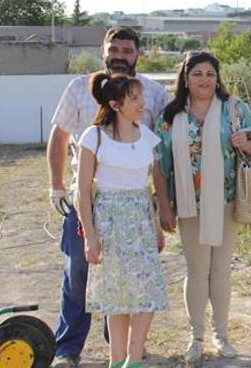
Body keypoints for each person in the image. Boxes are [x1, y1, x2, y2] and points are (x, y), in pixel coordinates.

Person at [47, 26, 169, 368]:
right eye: (113, 48)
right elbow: (58, 138)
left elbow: (160, 152)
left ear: (137, 55)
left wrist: (162, 208)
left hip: (134, 206)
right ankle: (67, 348)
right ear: (104, 50)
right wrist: (56, 185)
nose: (119, 54)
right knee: (79, 274)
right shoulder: (78, 89)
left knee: (127, 279)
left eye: (127, 50)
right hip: (88, 198)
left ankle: (122, 351)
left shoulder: (154, 93)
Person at [152, 52, 251, 363]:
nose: (204, 79)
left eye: (210, 73)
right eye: (197, 73)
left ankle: (222, 335)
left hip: (226, 200)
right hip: (189, 204)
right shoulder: (170, 116)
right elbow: (160, 165)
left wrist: (246, 142)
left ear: (218, 77)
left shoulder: (234, 108)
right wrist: (163, 206)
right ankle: (196, 337)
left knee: (221, 271)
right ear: (186, 79)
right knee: (197, 271)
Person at [75, 72, 168, 368]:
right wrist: (90, 235)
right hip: (109, 220)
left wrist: (155, 225)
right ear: (116, 105)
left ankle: (133, 357)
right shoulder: (95, 136)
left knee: (147, 292)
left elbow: (148, 186)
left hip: (140, 220)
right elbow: (82, 190)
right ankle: (117, 361)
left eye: (141, 96)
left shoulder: (147, 136)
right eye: (135, 98)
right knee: (116, 295)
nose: (142, 103)